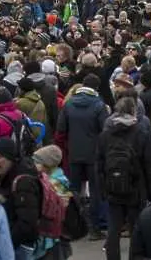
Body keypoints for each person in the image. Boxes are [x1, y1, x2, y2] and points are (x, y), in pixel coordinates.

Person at [97, 96, 151, 260]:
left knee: (114, 228)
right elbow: (150, 165)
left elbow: (100, 163)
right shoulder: (142, 132)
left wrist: (102, 187)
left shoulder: (106, 134)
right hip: (136, 187)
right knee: (136, 229)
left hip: (112, 186)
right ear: (134, 111)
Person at [56, 73, 108, 241]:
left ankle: (72, 225)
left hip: (74, 153)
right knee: (95, 191)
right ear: (96, 88)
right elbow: (105, 131)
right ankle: (94, 228)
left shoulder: (69, 104)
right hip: (94, 154)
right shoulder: (99, 105)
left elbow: (61, 129)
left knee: (74, 190)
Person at [0, 138, 42, 259]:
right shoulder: (4, 175)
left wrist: (5, 244)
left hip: (19, 246)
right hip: (10, 241)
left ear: (11, 158)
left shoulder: (23, 182)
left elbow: (27, 223)